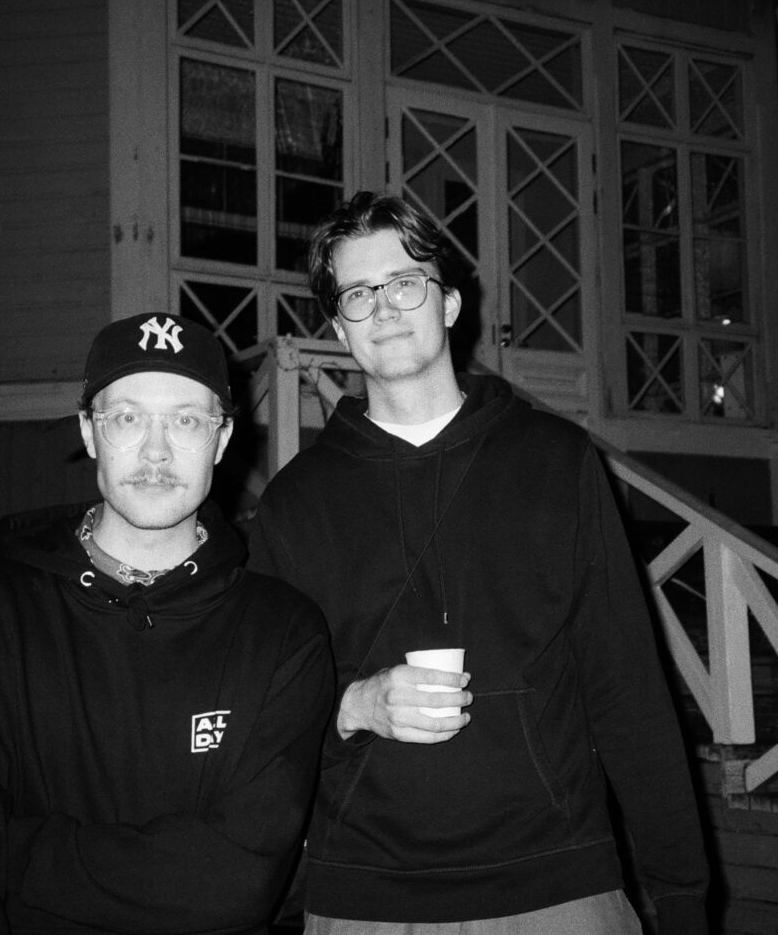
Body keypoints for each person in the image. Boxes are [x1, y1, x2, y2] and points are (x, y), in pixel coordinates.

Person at [245, 191, 711, 933]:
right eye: (358, 294)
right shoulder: (294, 503)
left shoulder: (557, 462)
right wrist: (355, 706)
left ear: (450, 304)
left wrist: (681, 895)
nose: (385, 309)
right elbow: (261, 716)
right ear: (338, 327)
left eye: (406, 283)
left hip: (559, 883)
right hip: (365, 896)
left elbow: (627, 688)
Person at [0, 312, 334, 934]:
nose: (155, 451)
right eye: (127, 418)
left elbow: (233, 882)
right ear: (89, 431)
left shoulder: (283, 634)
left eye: (186, 421)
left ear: (222, 440)